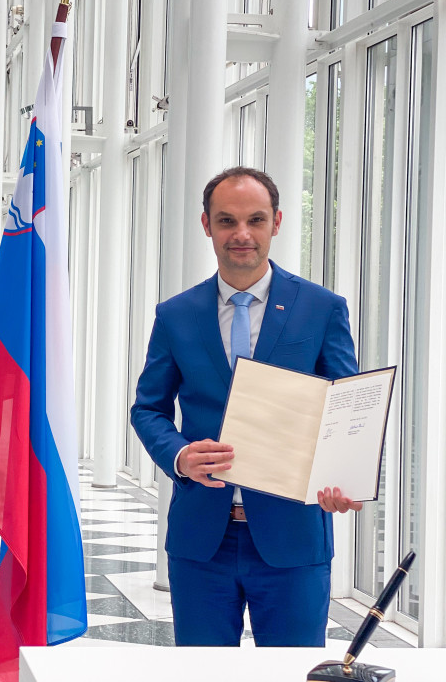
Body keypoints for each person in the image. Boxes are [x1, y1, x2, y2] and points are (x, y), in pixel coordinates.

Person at [131, 167, 362, 647]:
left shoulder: (322, 309)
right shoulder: (175, 315)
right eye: (226, 221)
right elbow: (148, 408)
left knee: (292, 675)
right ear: (206, 225)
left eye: (255, 220)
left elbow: (347, 410)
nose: (241, 234)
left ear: (276, 222)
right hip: (202, 541)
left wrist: (343, 476)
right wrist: (179, 455)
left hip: (293, 537)